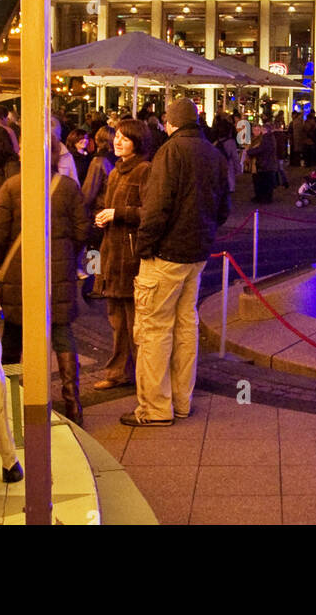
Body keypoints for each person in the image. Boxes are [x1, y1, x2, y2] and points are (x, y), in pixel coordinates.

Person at [122, 97, 230, 427]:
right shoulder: (213, 154)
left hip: (165, 254)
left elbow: (156, 209)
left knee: (154, 330)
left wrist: (145, 247)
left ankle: (155, 408)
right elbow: (223, 208)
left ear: (170, 123)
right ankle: (181, 401)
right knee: (185, 328)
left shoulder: (170, 152)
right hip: (196, 254)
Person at [0, 146, 88, 421]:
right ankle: (72, 402)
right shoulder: (67, 187)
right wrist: (66, 253)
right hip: (59, 272)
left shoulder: (11, 186)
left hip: (20, 271)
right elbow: (83, 229)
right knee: (61, 332)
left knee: (13, 336)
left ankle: (10, 399)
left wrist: (3, 261)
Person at [92, 118, 152, 390]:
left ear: (137, 143)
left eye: (125, 138)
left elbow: (150, 214)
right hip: (112, 253)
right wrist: (104, 217)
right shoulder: (115, 171)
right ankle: (119, 371)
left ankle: (142, 375)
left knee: (134, 322)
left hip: (131, 256)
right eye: (117, 136)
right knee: (116, 319)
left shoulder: (145, 171)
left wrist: (119, 214)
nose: (118, 141)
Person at [251, 122, 278, 204]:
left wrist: (250, 152)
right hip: (268, 163)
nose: (260, 131)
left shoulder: (266, 138)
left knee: (265, 182)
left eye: (262, 129)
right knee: (266, 182)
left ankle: (265, 198)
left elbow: (261, 149)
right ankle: (265, 197)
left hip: (265, 163)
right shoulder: (270, 137)